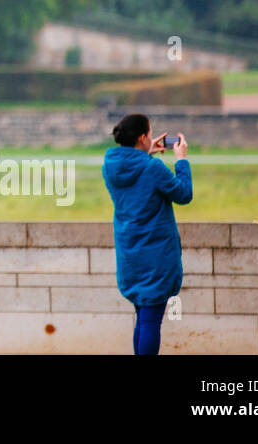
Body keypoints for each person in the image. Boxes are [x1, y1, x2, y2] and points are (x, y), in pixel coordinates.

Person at [101, 113, 192, 354]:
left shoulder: (110, 167)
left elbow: (135, 174)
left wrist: (146, 152)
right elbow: (184, 194)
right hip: (155, 256)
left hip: (130, 254)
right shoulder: (153, 169)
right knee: (151, 321)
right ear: (142, 137)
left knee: (143, 317)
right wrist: (181, 160)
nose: (152, 137)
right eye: (150, 134)